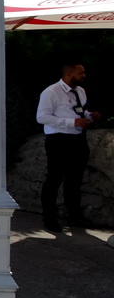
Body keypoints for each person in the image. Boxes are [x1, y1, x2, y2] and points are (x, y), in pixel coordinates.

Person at [36, 62, 101, 232]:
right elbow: (42, 117)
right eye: (81, 73)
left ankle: (74, 217)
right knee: (54, 179)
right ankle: (49, 218)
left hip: (78, 140)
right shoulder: (51, 92)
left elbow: (79, 111)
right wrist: (71, 122)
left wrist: (89, 116)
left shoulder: (80, 91)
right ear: (69, 74)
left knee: (74, 180)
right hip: (58, 140)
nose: (84, 75)